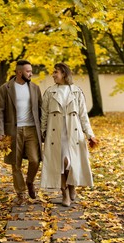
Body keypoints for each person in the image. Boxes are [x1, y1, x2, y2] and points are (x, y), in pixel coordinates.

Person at [41, 62, 97, 206]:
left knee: (72, 163)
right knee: (59, 164)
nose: (53, 75)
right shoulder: (49, 92)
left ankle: (72, 186)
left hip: (73, 133)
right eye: (53, 72)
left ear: (64, 74)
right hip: (55, 134)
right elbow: (44, 115)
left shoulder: (77, 91)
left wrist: (90, 134)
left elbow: (83, 115)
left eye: (56, 72)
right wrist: (42, 132)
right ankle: (65, 193)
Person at [0, 60, 42, 205]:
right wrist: (0, 130)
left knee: (35, 160)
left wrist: (44, 130)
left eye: (31, 71)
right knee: (16, 163)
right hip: (13, 131)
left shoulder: (35, 88)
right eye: (28, 71)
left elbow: (41, 110)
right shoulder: (6, 88)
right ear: (20, 72)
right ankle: (21, 194)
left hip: (32, 129)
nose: (31, 73)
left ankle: (29, 182)